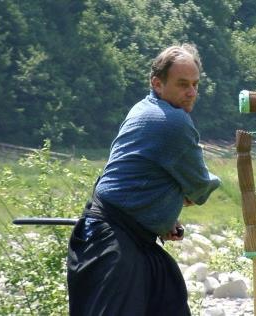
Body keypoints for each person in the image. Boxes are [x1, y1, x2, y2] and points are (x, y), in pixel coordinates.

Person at [67, 44, 221, 316]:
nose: (191, 93)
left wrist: (161, 215)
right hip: (112, 241)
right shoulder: (173, 122)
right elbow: (200, 186)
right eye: (183, 84)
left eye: (196, 84)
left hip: (127, 237)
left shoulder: (143, 108)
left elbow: (145, 178)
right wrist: (183, 196)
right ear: (157, 83)